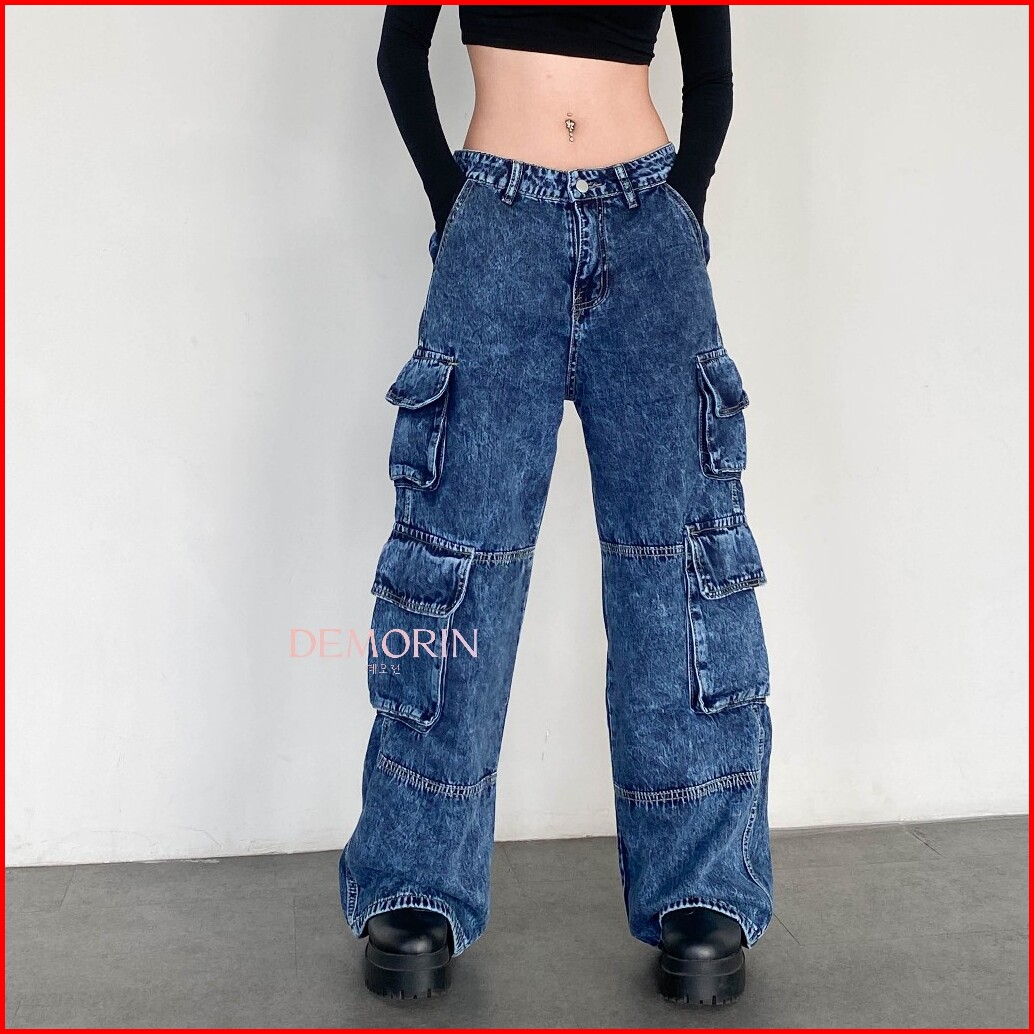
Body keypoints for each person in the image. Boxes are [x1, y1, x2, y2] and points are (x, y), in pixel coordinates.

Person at [339, 3, 774, 1007]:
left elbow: (710, 79)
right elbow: (400, 52)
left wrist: (682, 206)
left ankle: (702, 885)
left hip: (649, 226)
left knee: (681, 560)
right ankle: (417, 878)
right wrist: (456, 205)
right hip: (495, 223)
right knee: (452, 559)